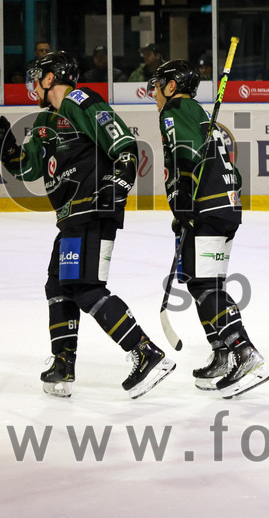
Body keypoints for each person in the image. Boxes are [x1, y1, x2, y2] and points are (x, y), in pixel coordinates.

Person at [0, 52, 175, 398]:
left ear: (51, 79)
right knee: (58, 286)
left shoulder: (80, 101)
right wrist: (5, 148)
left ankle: (145, 352)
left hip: (93, 208)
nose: (33, 84)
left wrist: (119, 183)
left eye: (38, 77)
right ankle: (63, 362)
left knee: (84, 288)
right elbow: (28, 169)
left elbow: (123, 143)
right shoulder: (43, 121)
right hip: (70, 217)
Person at [149, 59, 269, 397]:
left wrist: (185, 198)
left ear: (172, 86)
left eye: (158, 85)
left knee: (204, 284)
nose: (154, 93)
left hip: (208, 206)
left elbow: (184, 153)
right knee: (204, 280)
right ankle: (222, 353)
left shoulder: (174, 110)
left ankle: (243, 352)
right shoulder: (200, 114)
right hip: (224, 205)